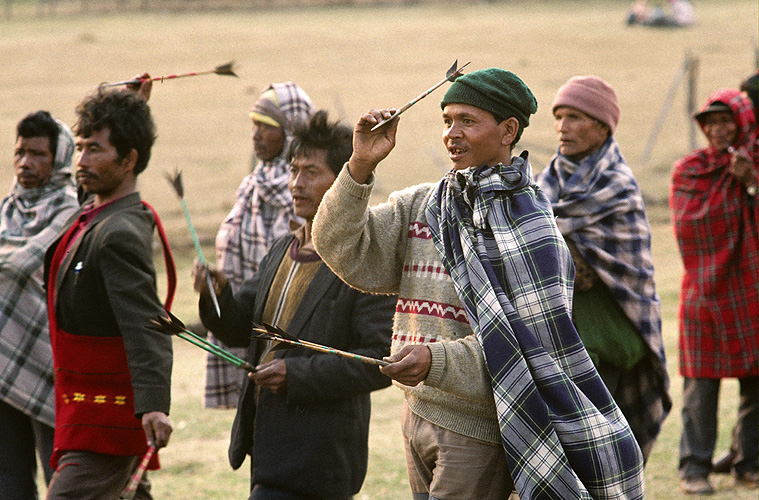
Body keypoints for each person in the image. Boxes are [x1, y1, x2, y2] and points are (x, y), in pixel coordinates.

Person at [312, 67, 645, 500]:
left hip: (481, 428)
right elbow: (339, 246)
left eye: (468, 120)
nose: (452, 133)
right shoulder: (426, 205)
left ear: (508, 130)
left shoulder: (533, 228)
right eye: (447, 120)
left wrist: (435, 360)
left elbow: (529, 351)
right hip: (416, 412)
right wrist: (360, 165)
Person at [193, 110, 395, 500]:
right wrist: (215, 295)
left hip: (321, 459)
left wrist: (295, 375)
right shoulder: (284, 250)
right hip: (268, 451)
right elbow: (239, 329)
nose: (296, 184)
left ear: (342, 182)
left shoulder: (364, 259)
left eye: (311, 172)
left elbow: (379, 361)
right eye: (293, 170)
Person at [44, 88, 174, 500]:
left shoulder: (118, 234)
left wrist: (154, 404)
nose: (80, 161)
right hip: (83, 410)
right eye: (79, 148)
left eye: (95, 150)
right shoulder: (97, 214)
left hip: (106, 420)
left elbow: (146, 325)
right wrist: (131, 104)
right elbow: (91, 192)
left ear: (130, 159)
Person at [534, 75, 671, 461]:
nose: (563, 127)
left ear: (601, 126)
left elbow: (618, 272)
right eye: (558, 116)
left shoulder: (617, 186)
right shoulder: (542, 186)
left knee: (603, 460)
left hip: (610, 345)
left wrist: (563, 253)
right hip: (561, 344)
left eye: (575, 117)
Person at [671, 88, 759, 494]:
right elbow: (691, 227)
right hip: (703, 292)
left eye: (727, 122)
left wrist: (751, 184)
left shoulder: (753, 165)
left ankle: (750, 462)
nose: (719, 130)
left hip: (750, 291)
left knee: (756, 383)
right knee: (700, 387)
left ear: (742, 125)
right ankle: (694, 468)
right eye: (711, 123)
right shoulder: (690, 170)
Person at [205, 82, 313, 409]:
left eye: (267, 127)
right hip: (242, 320)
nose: (256, 135)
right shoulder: (250, 186)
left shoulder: (308, 192)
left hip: (290, 336)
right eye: (254, 124)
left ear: (292, 131)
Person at [0, 111, 79, 500]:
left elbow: (17, 266)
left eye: (37, 154)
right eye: (19, 153)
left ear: (59, 159)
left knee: (59, 482)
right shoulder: (7, 209)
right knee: (9, 480)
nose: (25, 163)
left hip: (52, 368)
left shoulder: (71, 212)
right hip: (3, 366)